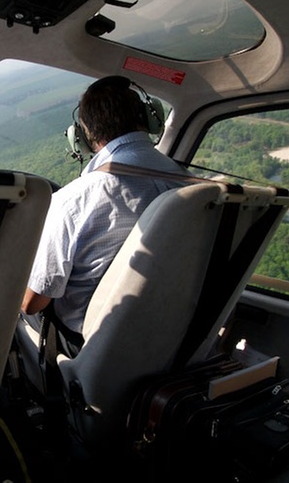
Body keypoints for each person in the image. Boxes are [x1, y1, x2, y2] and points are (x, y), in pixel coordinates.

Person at [21, 75, 191, 356]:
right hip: (171, 334)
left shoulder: (73, 200)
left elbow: (34, 303)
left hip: (95, 346)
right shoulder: (192, 189)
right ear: (150, 121)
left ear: (83, 137)